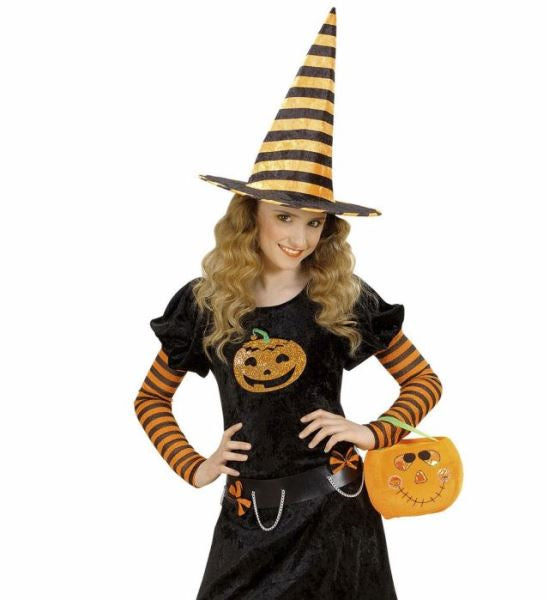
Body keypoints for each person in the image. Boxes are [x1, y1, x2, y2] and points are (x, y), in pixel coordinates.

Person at [134, 7, 442, 599]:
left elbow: (424, 382)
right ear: (251, 213)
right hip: (248, 523)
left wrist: (373, 433)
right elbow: (151, 399)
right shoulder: (204, 303)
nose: (299, 238)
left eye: (314, 222)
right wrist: (195, 465)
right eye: (285, 216)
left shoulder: (343, 296)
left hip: (338, 518)